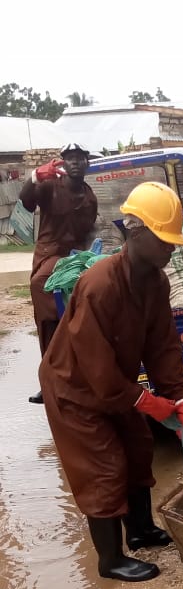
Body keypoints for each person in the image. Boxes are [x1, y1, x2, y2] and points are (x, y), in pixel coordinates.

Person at [39, 181, 183, 584]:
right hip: (74, 389)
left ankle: (141, 530)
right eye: (164, 240)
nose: (170, 249)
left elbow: (163, 346)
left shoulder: (156, 283)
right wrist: (146, 402)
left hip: (115, 386)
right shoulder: (100, 284)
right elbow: (96, 367)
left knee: (138, 447)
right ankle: (110, 559)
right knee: (104, 467)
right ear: (135, 231)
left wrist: (178, 399)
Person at [20, 142, 98, 403]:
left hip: (73, 256)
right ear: (64, 163)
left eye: (79, 158)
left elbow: (88, 232)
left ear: (87, 163)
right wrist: (34, 177)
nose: (75, 162)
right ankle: (52, 376)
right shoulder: (50, 185)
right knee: (43, 288)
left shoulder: (89, 198)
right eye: (70, 158)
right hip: (48, 254)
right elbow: (26, 202)